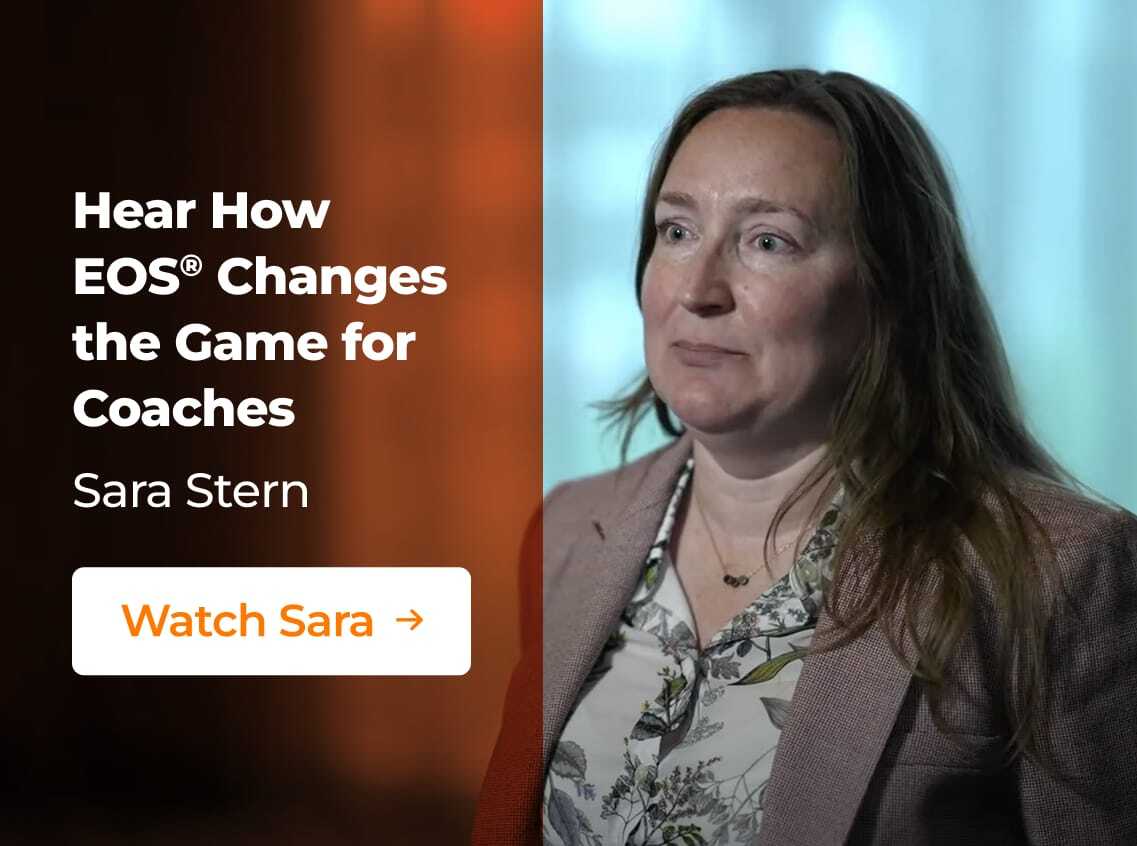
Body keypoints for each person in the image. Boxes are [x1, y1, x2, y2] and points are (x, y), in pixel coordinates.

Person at [471, 69, 1137, 846]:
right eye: (676, 232)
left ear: (887, 290)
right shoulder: (567, 528)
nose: (697, 290)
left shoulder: (1059, 571)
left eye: (767, 242)